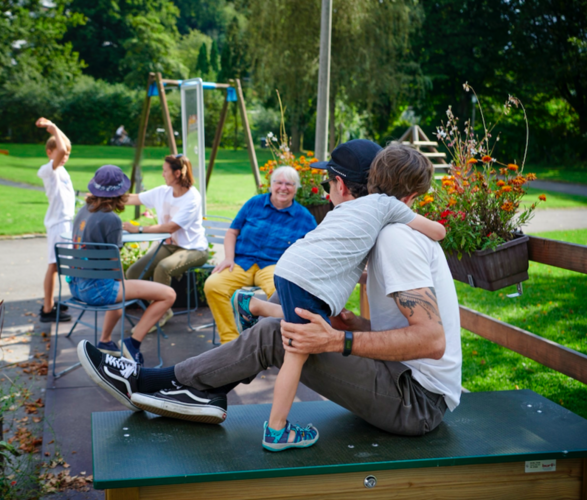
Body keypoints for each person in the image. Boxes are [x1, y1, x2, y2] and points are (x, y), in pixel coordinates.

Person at [77, 139, 462, 446]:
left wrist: (339, 340)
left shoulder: (397, 238)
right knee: (286, 324)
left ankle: (157, 383)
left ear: (341, 186)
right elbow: (413, 328)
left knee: (277, 336)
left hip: (417, 402)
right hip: (401, 380)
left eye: (328, 183)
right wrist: (354, 325)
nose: (327, 192)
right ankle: (187, 386)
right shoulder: (379, 232)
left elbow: (431, 340)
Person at [229, 144, 446, 451]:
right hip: (308, 280)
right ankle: (276, 429)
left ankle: (254, 305)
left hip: (289, 267)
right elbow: (436, 231)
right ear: (410, 195)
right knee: (297, 351)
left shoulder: (345, 208)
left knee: (307, 319)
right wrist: (432, 226)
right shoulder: (388, 206)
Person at [71, 165, 176, 363]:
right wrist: (126, 285)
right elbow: (114, 265)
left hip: (76, 285)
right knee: (168, 295)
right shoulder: (111, 220)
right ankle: (132, 343)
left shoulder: (82, 211)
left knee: (118, 297)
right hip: (97, 289)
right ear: (120, 193)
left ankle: (105, 341)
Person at [206, 166, 317, 344]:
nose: (283, 187)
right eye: (279, 182)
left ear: (296, 188)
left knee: (280, 295)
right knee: (213, 285)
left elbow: (313, 249)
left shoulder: (304, 218)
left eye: (289, 184)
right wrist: (228, 257)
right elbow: (232, 232)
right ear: (271, 185)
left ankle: (264, 341)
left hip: (274, 266)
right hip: (242, 262)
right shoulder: (254, 203)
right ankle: (230, 342)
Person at [121, 154, 209, 331]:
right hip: (170, 246)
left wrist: (137, 229)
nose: (162, 174)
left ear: (177, 173)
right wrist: (104, 198)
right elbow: (134, 198)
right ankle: (163, 309)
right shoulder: (163, 192)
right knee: (133, 272)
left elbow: (170, 227)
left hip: (194, 249)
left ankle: (157, 314)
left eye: (165, 171)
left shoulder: (192, 198)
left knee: (163, 268)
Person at [36, 117, 75, 323]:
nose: (64, 156)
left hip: (65, 222)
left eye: (68, 155)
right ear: (49, 153)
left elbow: (64, 145)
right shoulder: (48, 170)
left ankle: (50, 302)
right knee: (54, 265)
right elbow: (60, 148)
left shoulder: (61, 169)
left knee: (59, 265)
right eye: (61, 153)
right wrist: (51, 129)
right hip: (57, 224)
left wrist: (55, 127)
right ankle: (48, 308)